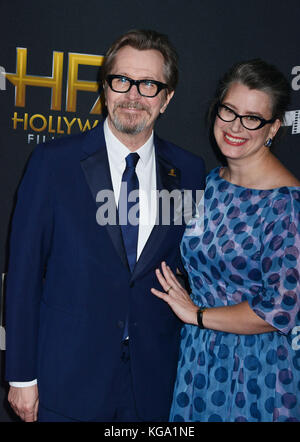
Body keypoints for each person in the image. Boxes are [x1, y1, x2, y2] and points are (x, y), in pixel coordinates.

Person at [5, 29, 205, 422]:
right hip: (67, 375)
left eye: (149, 84)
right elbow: (24, 274)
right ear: (105, 88)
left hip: (154, 380)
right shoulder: (53, 163)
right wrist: (21, 376)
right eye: (122, 81)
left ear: (166, 99)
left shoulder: (190, 171)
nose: (133, 95)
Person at [152, 59, 300, 422]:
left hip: (256, 370)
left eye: (252, 118)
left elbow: (279, 310)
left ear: (273, 128)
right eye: (229, 111)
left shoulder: (287, 203)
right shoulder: (213, 181)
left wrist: (197, 314)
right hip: (198, 357)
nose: (236, 127)